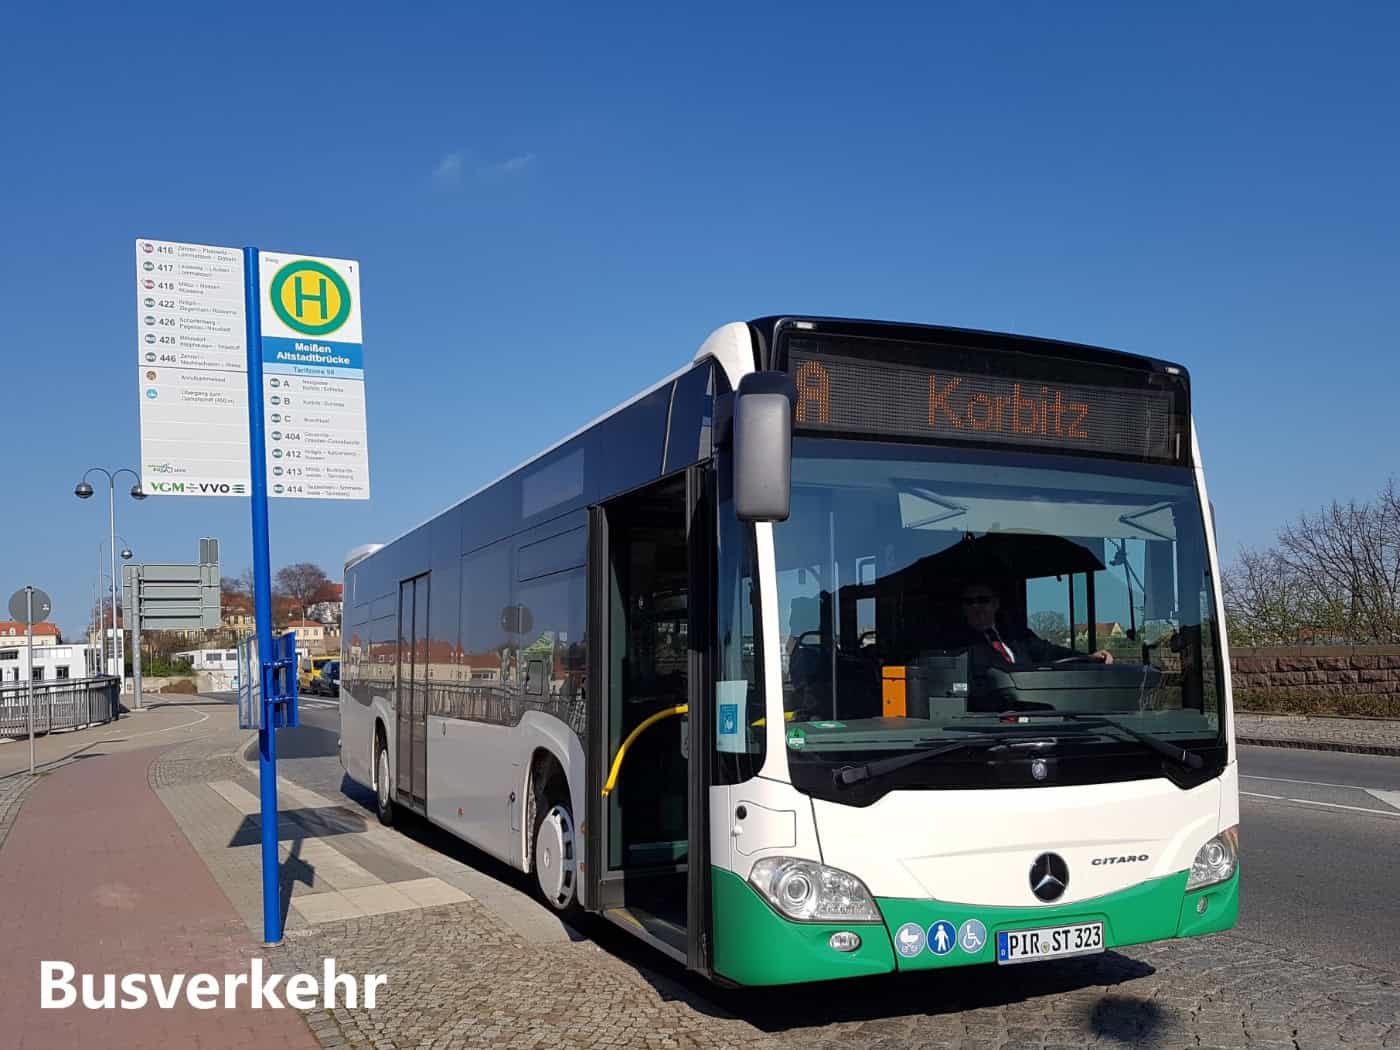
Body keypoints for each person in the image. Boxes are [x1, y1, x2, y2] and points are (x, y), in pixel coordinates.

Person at [953, 580, 1114, 666]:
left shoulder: (1018, 636)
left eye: (983, 600)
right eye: (969, 602)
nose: (976, 606)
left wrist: (1088, 657)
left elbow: (1050, 652)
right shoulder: (958, 643)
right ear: (963, 608)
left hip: (1033, 714)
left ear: (995, 604)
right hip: (990, 719)